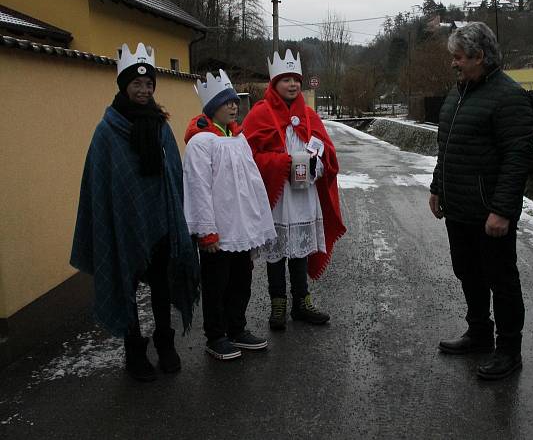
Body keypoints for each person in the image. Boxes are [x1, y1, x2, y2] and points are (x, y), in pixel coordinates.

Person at [70, 42, 200, 382]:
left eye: (149, 85)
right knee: (125, 283)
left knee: (160, 283)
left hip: (160, 223)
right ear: (124, 86)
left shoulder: (160, 125)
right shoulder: (106, 131)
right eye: (137, 84)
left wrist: (176, 218)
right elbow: (99, 186)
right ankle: (133, 349)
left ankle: (165, 342)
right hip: (122, 225)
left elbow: (173, 175)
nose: (143, 90)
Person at [430, 22, 533, 380]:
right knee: (468, 272)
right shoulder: (459, 93)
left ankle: (509, 349)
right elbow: (447, 146)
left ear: (481, 57)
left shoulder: (509, 97)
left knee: (501, 279)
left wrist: (502, 210)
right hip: (458, 207)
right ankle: (478, 333)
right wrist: (436, 186)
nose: (454, 64)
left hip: (489, 212)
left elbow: (517, 158)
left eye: (459, 58)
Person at [243, 50, 346, 330]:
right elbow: (248, 158)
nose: (292, 85)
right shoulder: (259, 114)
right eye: (286, 79)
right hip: (277, 196)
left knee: (300, 250)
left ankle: (302, 302)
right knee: (276, 253)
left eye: (296, 80)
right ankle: (278, 305)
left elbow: (328, 156)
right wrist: (282, 164)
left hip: (304, 195)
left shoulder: (310, 115)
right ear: (274, 83)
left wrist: (316, 167)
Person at [183, 70, 277, 360]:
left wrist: (258, 224)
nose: (234, 107)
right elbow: (198, 188)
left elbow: (252, 184)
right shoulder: (201, 143)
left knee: (241, 282)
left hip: (241, 230)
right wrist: (206, 230)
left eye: (235, 102)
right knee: (216, 284)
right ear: (213, 107)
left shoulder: (239, 139)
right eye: (227, 102)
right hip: (219, 231)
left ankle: (237, 327)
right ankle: (216, 335)